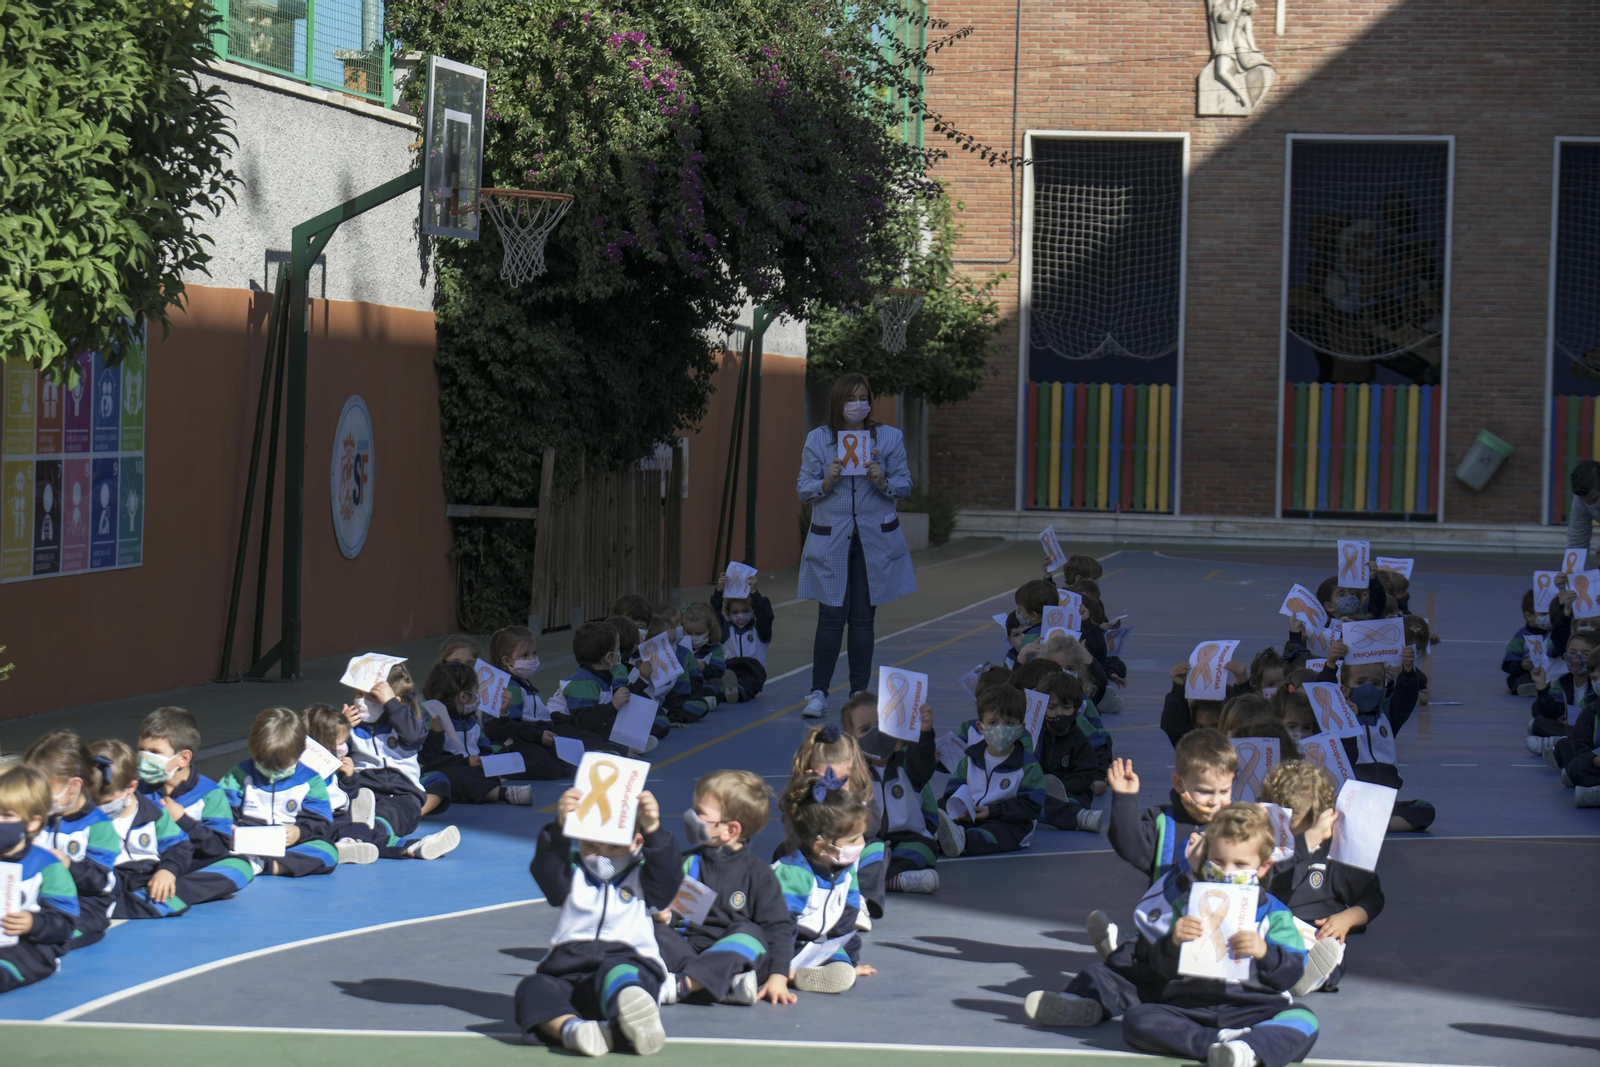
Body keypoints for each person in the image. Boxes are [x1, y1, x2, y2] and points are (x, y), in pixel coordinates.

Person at [1024, 804, 1319, 1067]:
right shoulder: (1188, 902)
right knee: (1139, 1020)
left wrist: (1265, 953)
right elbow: (1156, 968)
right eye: (1218, 861)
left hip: (1254, 1008)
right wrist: (1173, 942)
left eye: (1240, 865)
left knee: (1304, 1020)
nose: (1227, 871)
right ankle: (1221, 1047)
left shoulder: (1275, 914)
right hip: (1190, 1005)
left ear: (1263, 866)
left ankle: (1249, 1051)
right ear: (1205, 859)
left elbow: (1290, 974)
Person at [516, 787, 678, 1056]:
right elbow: (546, 872)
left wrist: (653, 829)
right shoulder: (572, 873)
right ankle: (574, 1030)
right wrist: (558, 827)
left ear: (636, 842)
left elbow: (668, 879)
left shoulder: (643, 877)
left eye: (613, 846)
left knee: (618, 971)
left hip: (629, 966)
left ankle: (632, 1009)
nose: (601, 854)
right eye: (590, 845)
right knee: (532, 988)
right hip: (570, 975)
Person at [797, 373, 916, 718]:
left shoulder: (889, 437)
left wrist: (883, 481)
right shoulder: (818, 439)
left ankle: (858, 692)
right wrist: (828, 480)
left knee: (863, 618)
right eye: (851, 399)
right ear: (838, 403)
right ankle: (818, 692)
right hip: (831, 537)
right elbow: (804, 489)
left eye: (864, 398)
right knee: (831, 615)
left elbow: (905, 485)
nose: (858, 405)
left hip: (873, 539)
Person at [656, 770, 796, 1007]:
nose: (691, 817)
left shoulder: (759, 875)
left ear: (730, 830)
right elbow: (682, 911)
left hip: (732, 955)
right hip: (688, 950)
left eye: (700, 813)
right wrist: (668, 916)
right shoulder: (691, 863)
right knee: (650, 929)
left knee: (750, 933)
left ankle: (685, 985)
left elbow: (779, 928)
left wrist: (778, 977)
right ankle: (724, 985)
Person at [1261, 760, 1383, 995]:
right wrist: (1304, 843)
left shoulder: (1334, 852)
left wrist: (1347, 918)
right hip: (1270, 929)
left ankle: (1310, 977)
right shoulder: (1262, 845)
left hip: (1313, 933)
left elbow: (1373, 897)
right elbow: (1256, 876)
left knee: (1330, 956)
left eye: (1304, 832)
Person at [771, 770, 876, 993]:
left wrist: (852, 962)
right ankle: (783, 972)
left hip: (805, 942)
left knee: (839, 960)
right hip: (772, 940)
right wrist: (778, 971)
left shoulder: (845, 871)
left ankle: (803, 971)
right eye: (853, 839)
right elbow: (780, 927)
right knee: (757, 955)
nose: (861, 843)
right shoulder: (796, 873)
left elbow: (846, 919)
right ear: (821, 847)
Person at [839, 692, 941, 897]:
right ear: (852, 740)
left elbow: (924, 761)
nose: (876, 733)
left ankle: (879, 879)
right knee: (854, 852)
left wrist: (924, 733)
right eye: (865, 729)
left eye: (881, 725)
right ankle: (897, 880)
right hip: (871, 841)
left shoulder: (908, 764)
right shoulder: (853, 774)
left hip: (910, 839)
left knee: (926, 849)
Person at [217, 707, 339, 878]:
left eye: (280, 766)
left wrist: (299, 832)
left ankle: (268, 866)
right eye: (264, 764)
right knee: (213, 847)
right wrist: (229, 829)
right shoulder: (239, 775)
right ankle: (252, 862)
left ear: (301, 751)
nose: (272, 771)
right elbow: (221, 811)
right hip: (246, 844)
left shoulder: (310, 780)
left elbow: (321, 822)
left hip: (290, 846)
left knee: (328, 851)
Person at [24, 729, 118, 949]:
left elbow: (99, 881)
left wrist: (68, 864)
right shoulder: (35, 818)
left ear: (74, 785)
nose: (35, 795)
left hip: (85, 905)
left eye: (43, 788)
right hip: (37, 898)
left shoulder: (98, 825)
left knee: (50, 935)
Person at [86, 740, 196, 917]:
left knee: (180, 891)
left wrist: (167, 871)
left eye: (106, 802)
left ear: (130, 787)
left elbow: (179, 846)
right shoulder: (85, 821)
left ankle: (107, 908)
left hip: (150, 876)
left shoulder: (155, 812)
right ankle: (107, 907)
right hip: (112, 878)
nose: (99, 808)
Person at [935, 684, 1045, 859]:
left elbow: (1032, 806)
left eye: (1009, 723)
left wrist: (993, 811)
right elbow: (954, 787)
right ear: (981, 727)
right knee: (939, 806)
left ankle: (962, 841)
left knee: (994, 834)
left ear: (1021, 727)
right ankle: (942, 836)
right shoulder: (970, 758)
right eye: (993, 723)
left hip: (1008, 823)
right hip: (972, 816)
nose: (1001, 729)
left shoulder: (1027, 765)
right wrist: (958, 808)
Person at [0, 765, 79, 995]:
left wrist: (34, 923)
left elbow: (66, 923)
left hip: (29, 947)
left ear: (32, 823)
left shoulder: (47, 866)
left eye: (7, 816)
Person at [1034, 672, 1107, 834]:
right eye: (1051, 708)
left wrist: (1063, 788)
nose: (1059, 713)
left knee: (1067, 805)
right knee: (1027, 802)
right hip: (1039, 790)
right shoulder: (1034, 735)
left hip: (1073, 794)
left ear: (1076, 707)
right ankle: (1077, 817)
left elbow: (1086, 772)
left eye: (1066, 707)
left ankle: (1080, 815)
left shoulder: (1080, 739)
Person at [711, 576, 773, 702]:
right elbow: (713, 615)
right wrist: (719, 592)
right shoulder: (726, 630)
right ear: (728, 614)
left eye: (745, 611)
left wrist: (754, 594)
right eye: (735, 612)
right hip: (730, 670)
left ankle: (737, 691)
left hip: (753, 672)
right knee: (714, 681)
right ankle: (718, 694)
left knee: (747, 685)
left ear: (753, 611)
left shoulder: (760, 630)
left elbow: (766, 615)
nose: (740, 615)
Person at [1565, 459, 1600, 553]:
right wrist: (1576, 567)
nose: (1590, 506)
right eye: (1585, 501)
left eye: (1594, 499)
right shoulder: (1579, 499)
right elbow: (1577, 541)